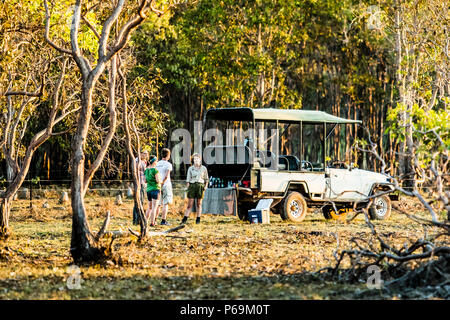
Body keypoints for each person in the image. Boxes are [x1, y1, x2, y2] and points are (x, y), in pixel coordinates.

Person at [181, 153, 209, 224]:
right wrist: (188, 188)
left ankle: (198, 219)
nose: (196, 160)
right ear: (193, 160)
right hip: (192, 186)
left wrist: (205, 186)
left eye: (197, 159)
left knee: (199, 203)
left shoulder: (203, 168)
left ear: (200, 160)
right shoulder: (190, 168)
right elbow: (188, 180)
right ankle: (184, 219)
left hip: (200, 185)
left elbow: (206, 179)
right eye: (194, 159)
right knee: (190, 204)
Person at [156, 148, 173, 225]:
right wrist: (163, 182)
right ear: (168, 155)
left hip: (158, 185)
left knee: (158, 204)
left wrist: (159, 183)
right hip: (166, 185)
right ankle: (163, 220)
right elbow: (166, 176)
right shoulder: (168, 164)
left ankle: (155, 220)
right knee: (165, 203)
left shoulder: (157, 163)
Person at [144, 155, 162, 227]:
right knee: (154, 207)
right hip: (155, 189)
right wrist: (161, 181)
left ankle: (145, 221)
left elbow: (145, 181)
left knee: (149, 207)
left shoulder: (146, 170)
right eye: (156, 161)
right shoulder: (155, 170)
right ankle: (152, 222)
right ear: (154, 161)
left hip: (148, 190)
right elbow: (157, 181)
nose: (157, 162)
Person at [132, 150, 148, 225]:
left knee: (141, 201)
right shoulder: (137, 161)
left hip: (143, 183)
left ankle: (137, 219)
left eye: (147, 153)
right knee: (138, 201)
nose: (146, 155)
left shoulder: (143, 162)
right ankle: (136, 220)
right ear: (140, 153)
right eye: (144, 153)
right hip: (139, 183)